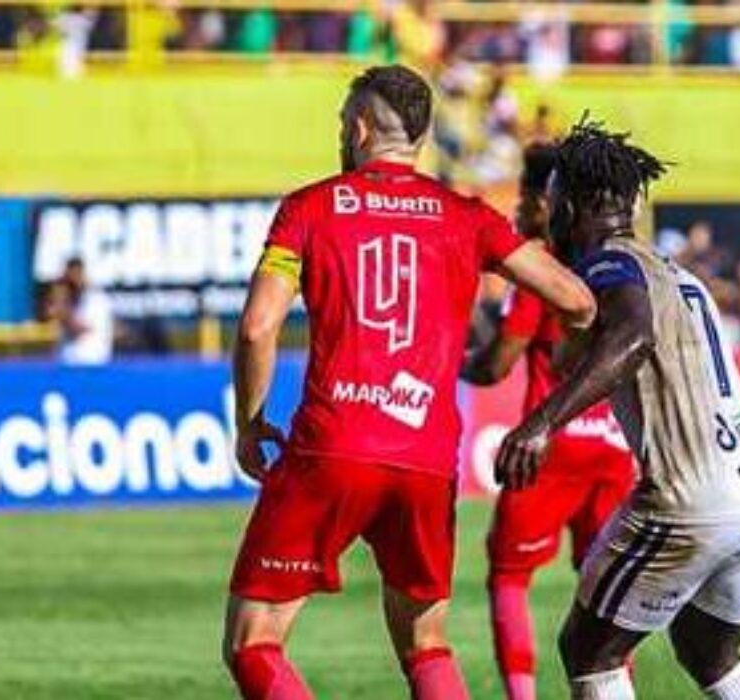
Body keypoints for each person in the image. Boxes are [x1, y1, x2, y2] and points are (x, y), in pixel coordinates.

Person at [223, 65, 595, 700]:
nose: (342, 137)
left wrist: (250, 422)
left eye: (344, 126)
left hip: (331, 446)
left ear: (361, 129)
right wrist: (569, 375)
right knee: (426, 644)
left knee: (255, 641)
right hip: (425, 458)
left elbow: (259, 326)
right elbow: (578, 300)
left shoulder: (310, 207)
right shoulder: (467, 217)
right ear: (420, 140)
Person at [494, 119, 740, 700]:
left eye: (554, 196)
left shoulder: (608, 263)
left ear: (573, 203)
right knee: (711, 654)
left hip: (697, 495)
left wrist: (540, 424)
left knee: (589, 651)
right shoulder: (675, 271)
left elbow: (632, 336)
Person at [461, 143, 632, 700]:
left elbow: (498, 366)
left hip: (551, 450)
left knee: (509, 577)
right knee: (605, 589)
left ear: (547, 200)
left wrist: (458, 360)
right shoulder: (620, 264)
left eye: (524, 198)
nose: (514, 211)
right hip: (613, 448)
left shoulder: (540, 266)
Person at [46, 258, 113, 365]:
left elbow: (80, 328)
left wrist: (60, 311)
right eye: (68, 278)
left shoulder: (96, 298)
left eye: (74, 276)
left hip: (90, 363)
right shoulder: (71, 299)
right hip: (69, 361)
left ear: (82, 274)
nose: (71, 281)